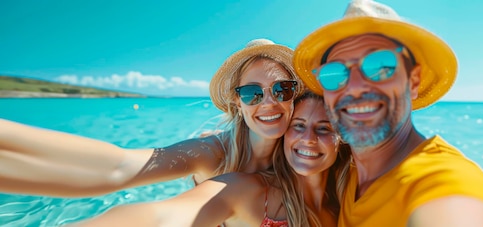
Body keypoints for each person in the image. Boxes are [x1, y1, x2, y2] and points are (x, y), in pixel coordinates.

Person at [0, 38, 305, 197]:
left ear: (295, 95)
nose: (269, 102)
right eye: (252, 93)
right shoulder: (213, 153)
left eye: (282, 89)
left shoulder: (304, 152)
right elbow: (119, 166)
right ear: (237, 102)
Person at [291, 0, 483, 226]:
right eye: (334, 73)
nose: (355, 86)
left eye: (380, 66)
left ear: (413, 80)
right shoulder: (347, 173)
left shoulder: (443, 179)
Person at [67, 91, 351, 227]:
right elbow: (164, 216)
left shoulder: (344, 201)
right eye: (298, 125)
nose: (308, 139)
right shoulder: (255, 192)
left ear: (343, 140)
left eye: (324, 129)